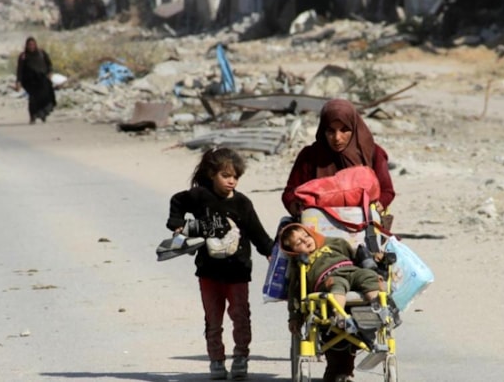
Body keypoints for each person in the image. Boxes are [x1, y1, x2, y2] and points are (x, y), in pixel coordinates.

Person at [280, 98, 395, 382]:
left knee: (382, 272)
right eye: (330, 131)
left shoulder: (373, 153)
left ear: (355, 129)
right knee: (321, 292)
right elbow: (290, 192)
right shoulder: (310, 157)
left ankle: (369, 331)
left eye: (344, 130)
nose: (337, 137)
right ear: (322, 130)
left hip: (361, 235)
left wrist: (378, 205)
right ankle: (339, 367)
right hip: (318, 243)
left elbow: (387, 190)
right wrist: (299, 207)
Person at [166, 147, 274, 380]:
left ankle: (241, 357)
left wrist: (271, 253)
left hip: (238, 271)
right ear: (212, 174)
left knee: (240, 316)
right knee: (213, 319)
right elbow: (177, 201)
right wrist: (177, 223)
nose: (231, 181)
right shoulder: (200, 196)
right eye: (226, 176)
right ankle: (216, 360)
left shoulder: (243, 204)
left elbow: (258, 233)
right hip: (209, 271)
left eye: (235, 177)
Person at [280, 223, 380, 333]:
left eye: (306, 235)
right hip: (328, 279)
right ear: (293, 252)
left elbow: (355, 254)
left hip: (350, 270)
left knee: (368, 275)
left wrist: (374, 256)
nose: (305, 240)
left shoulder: (333, 243)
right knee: (337, 283)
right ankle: (340, 317)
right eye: (299, 243)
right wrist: (294, 317)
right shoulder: (299, 265)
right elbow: (294, 292)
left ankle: (378, 307)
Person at [15, 37, 56, 124]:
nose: (31, 46)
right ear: (26, 46)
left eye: (33, 44)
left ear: (35, 45)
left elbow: (49, 64)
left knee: (45, 96)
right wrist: (18, 81)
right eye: (29, 45)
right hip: (29, 81)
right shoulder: (23, 56)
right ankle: (32, 117)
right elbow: (20, 70)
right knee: (33, 98)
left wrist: (50, 73)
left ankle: (43, 114)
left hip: (42, 79)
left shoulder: (42, 53)